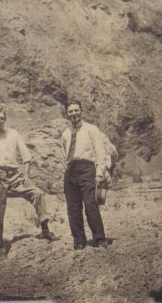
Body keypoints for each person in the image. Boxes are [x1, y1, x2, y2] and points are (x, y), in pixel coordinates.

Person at [0, 106, 56, 258]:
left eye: (1, 118)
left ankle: (45, 230)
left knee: (37, 194)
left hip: (15, 175)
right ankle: (0, 249)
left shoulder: (13, 134)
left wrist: (26, 175)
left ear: (5, 119)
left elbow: (26, 157)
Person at [61, 100, 110, 250]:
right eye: (70, 112)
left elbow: (100, 152)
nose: (74, 114)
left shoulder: (91, 129)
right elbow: (65, 154)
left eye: (76, 110)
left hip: (87, 168)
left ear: (81, 112)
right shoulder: (65, 134)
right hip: (71, 170)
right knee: (73, 207)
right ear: (67, 114)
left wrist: (100, 173)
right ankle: (79, 241)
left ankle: (99, 238)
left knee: (90, 204)